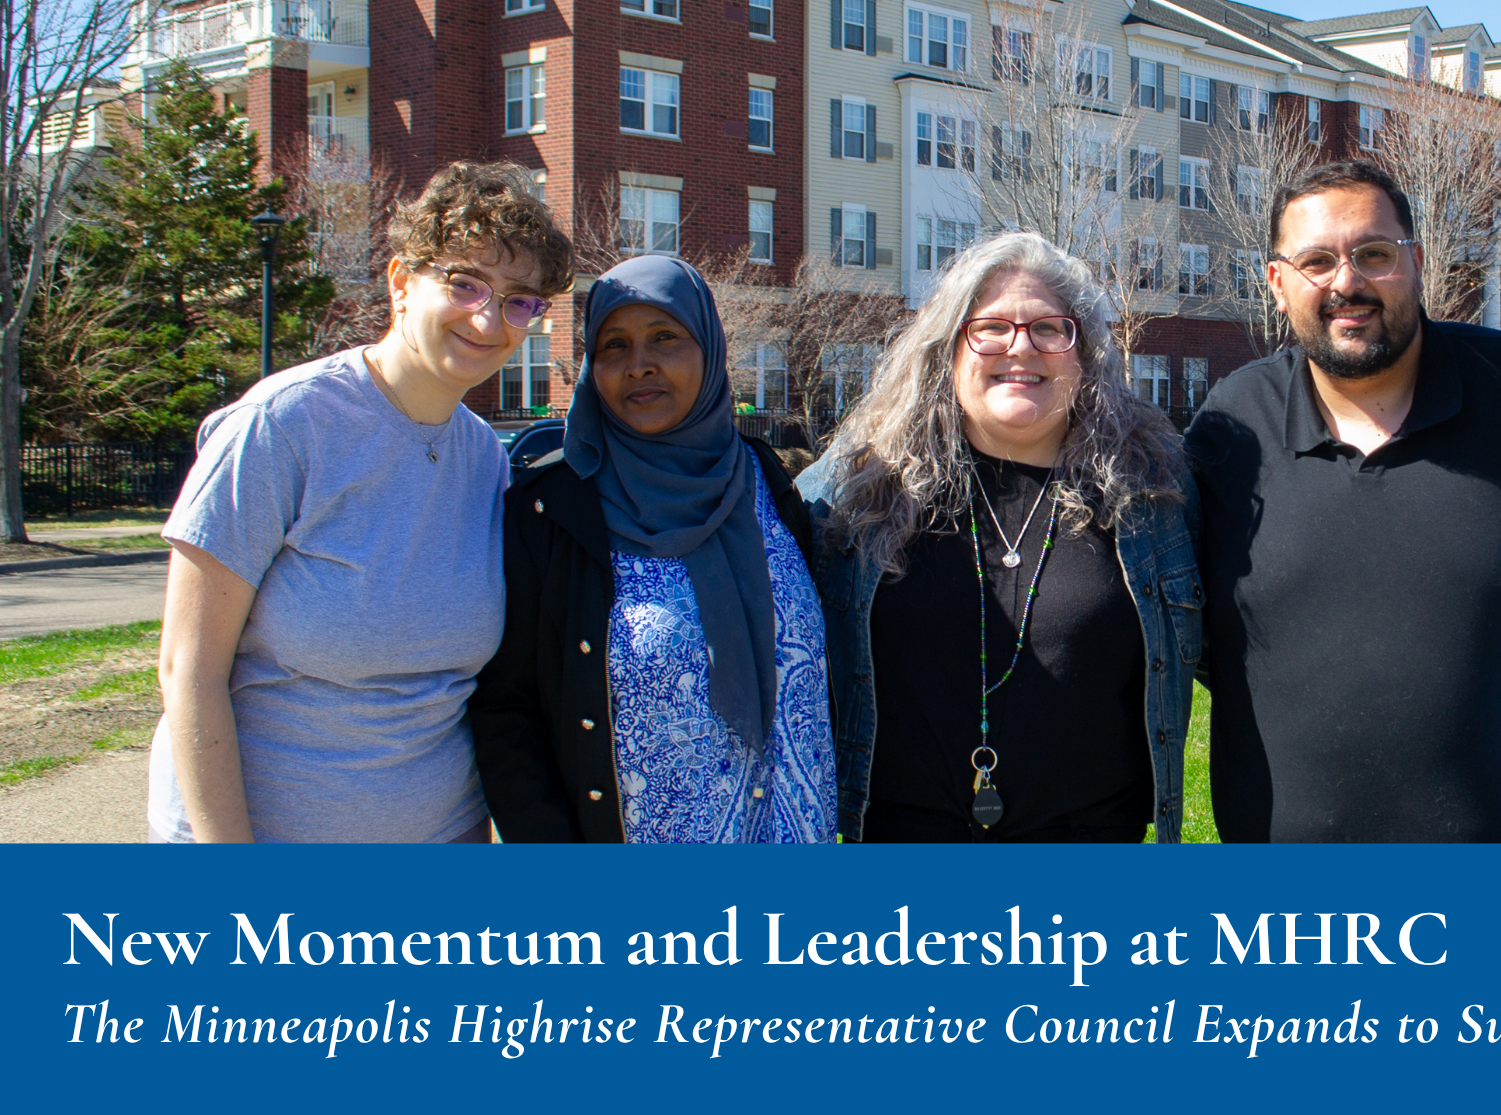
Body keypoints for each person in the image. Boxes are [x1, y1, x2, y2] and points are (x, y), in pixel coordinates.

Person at [150, 161, 573, 842]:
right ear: (401, 283)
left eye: (519, 299)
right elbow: (188, 671)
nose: (488, 317)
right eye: (465, 283)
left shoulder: (486, 463)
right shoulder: (284, 425)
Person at [1183, 160, 1501, 842]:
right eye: (1316, 261)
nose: (1347, 282)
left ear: (1416, 262)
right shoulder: (1233, 424)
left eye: (1374, 254)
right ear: (1277, 284)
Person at [798, 232, 1198, 843]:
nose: (1021, 347)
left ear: (1084, 355)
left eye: (1049, 329)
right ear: (949, 351)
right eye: (991, 328)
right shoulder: (861, 486)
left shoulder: (1152, 497)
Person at [472, 256, 834, 842]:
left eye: (665, 337)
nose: (639, 366)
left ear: (709, 348)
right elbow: (508, 711)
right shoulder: (553, 509)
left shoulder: (763, 479)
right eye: (613, 346)